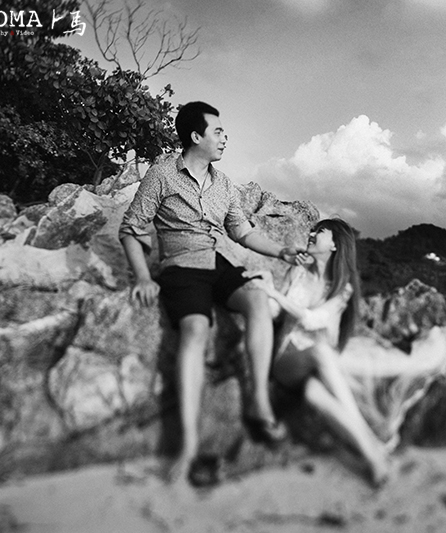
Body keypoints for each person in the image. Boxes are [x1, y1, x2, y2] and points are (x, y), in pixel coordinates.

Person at [119, 101, 306, 484]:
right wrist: (142, 277)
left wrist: (282, 251)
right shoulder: (162, 175)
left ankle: (259, 403)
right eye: (217, 131)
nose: (224, 138)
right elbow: (131, 228)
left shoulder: (223, 184)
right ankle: (188, 445)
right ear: (195, 136)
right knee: (196, 331)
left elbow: (242, 231)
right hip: (180, 266)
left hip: (215, 262)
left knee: (257, 299)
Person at [244, 218, 391, 486]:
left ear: (335, 245)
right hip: (287, 360)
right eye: (312, 230)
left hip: (318, 367)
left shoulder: (343, 288)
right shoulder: (298, 271)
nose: (311, 234)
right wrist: (269, 289)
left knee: (315, 394)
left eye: (320, 232)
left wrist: (275, 295)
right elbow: (275, 313)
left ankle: (373, 458)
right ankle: (370, 437)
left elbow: (313, 320)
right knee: (321, 352)